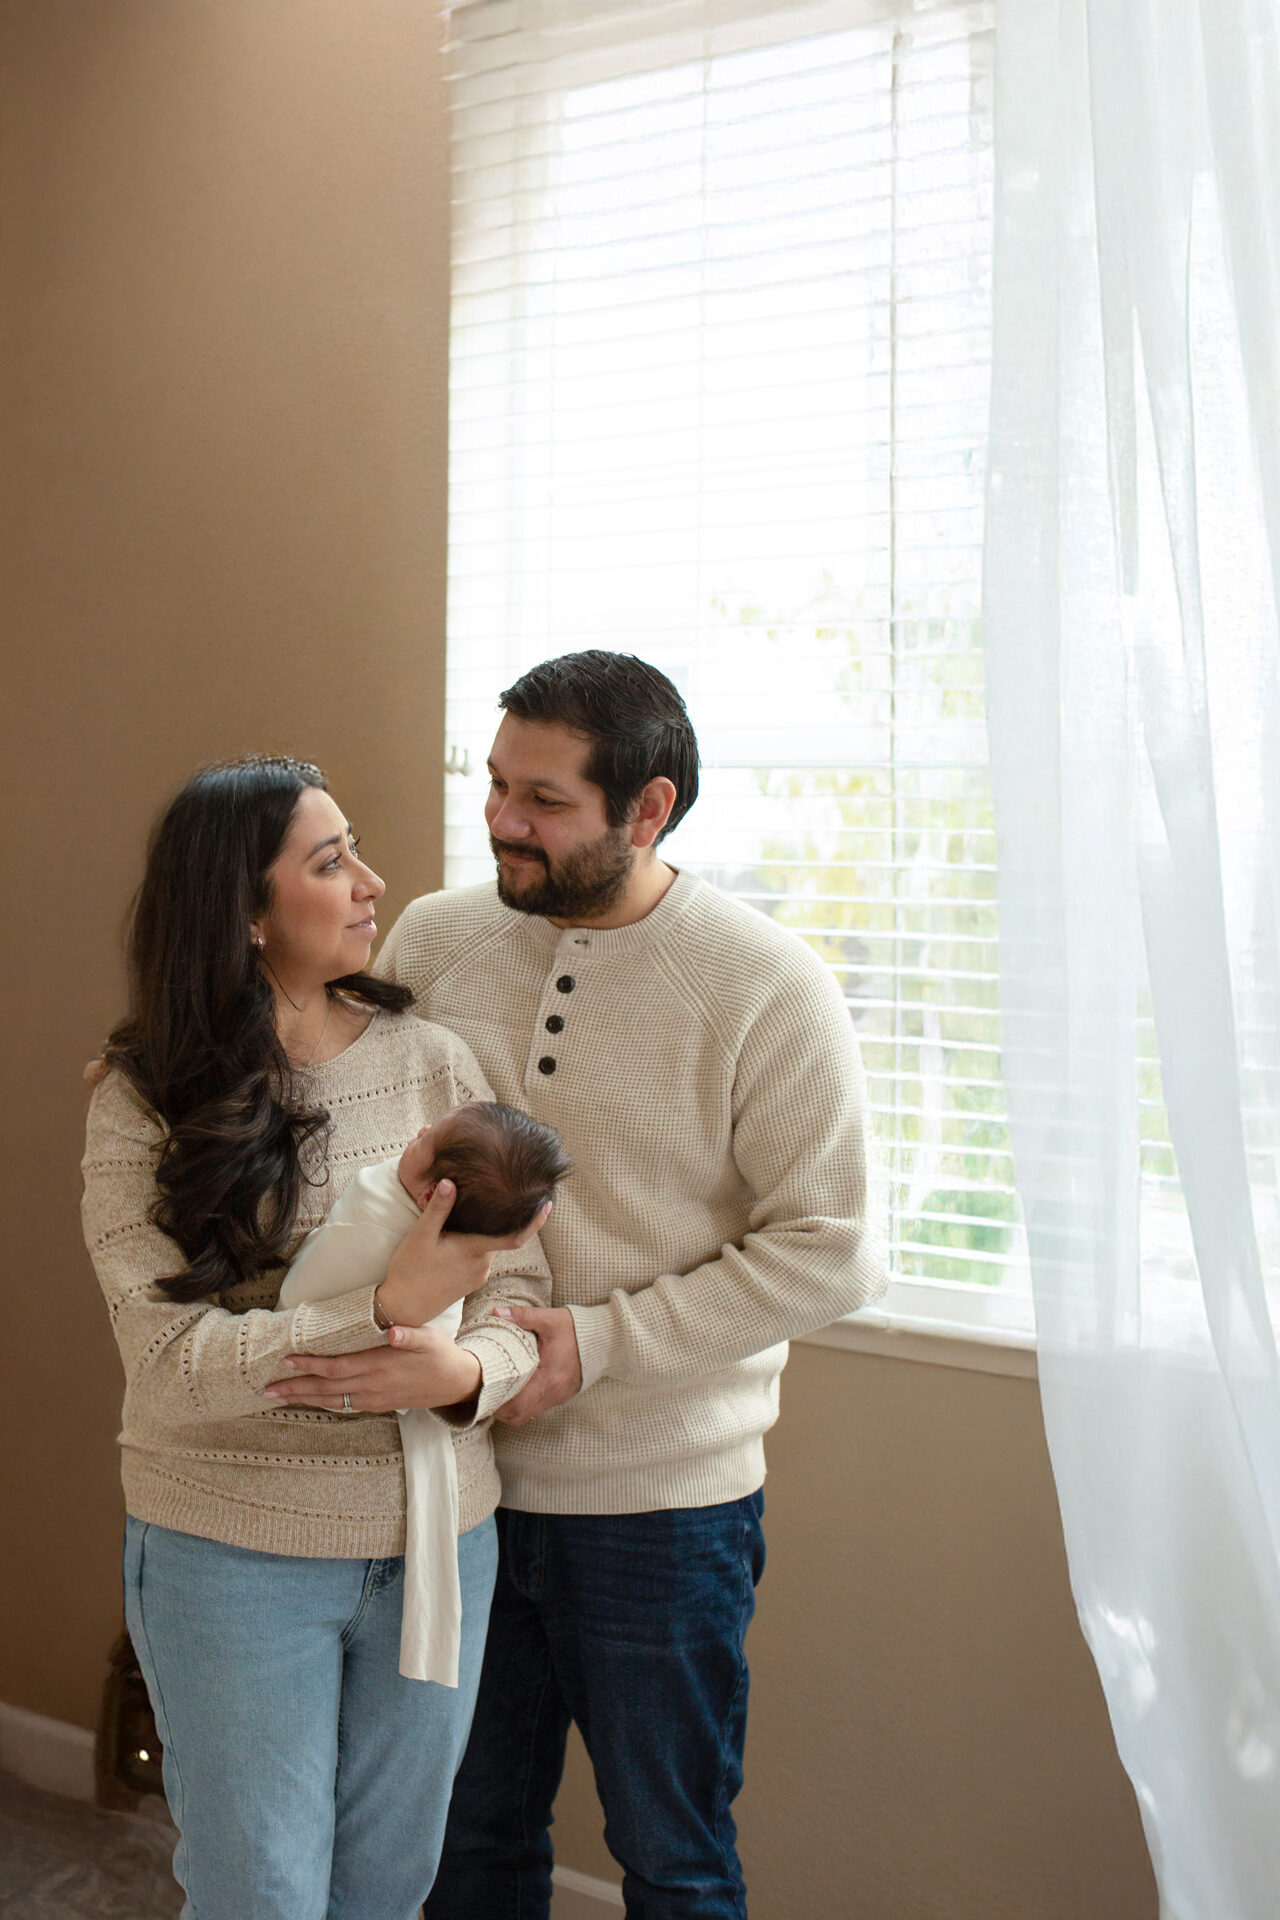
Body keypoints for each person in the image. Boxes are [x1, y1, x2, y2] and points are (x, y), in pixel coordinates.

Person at [271, 653, 886, 1919]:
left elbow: (831, 1245)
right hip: (455, 1487)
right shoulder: (436, 937)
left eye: (544, 801)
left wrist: (595, 1342)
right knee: (468, 1851)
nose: (503, 819)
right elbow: (322, 1079)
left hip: (660, 1508)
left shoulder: (765, 984)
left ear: (647, 809)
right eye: (496, 784)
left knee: (674, 1862)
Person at [81, 755, 552, 1920]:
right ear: (244, 911)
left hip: (436, 1544)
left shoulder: (431, 1059)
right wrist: (380, 1313)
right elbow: (169, 1365)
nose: (371, 883)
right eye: (331, 862)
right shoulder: (140, 1099)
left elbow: (518, 1293)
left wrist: (462, 1373)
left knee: (388, 1892)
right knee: (263, 1896)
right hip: (230, 1553)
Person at [279, 1104, 570, 1685]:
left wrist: (460, 1373)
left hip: (450, 1477)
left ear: (434, 1193)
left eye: (428, 1137)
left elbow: (296, 1303)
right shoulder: (454, 1214)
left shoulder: (387, 1214)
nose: (415, 1130)